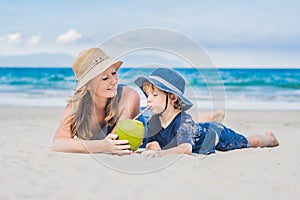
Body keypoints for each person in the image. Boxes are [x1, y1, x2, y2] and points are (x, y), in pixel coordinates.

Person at [134, 68, 279, 158]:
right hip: (197, 130)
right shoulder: (154, 120)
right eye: (147, 95)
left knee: (248, 142)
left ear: (172, 97)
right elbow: (153, 141)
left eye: (155, 95)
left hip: (216, 135)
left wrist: (160, 154)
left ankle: (269, 138)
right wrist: (152, 146)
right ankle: (216, 116)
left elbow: (186, 149)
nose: (148, 100)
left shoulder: (184, 121)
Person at [52, 47, 141, 155]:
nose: (114, 81)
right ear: (88, 85)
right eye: (105, 78)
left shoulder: (128, 96)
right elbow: (58, 143)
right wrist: (103, 145)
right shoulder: (75, 107)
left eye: (113, 73)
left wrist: (102, 146)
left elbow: (117, 142)